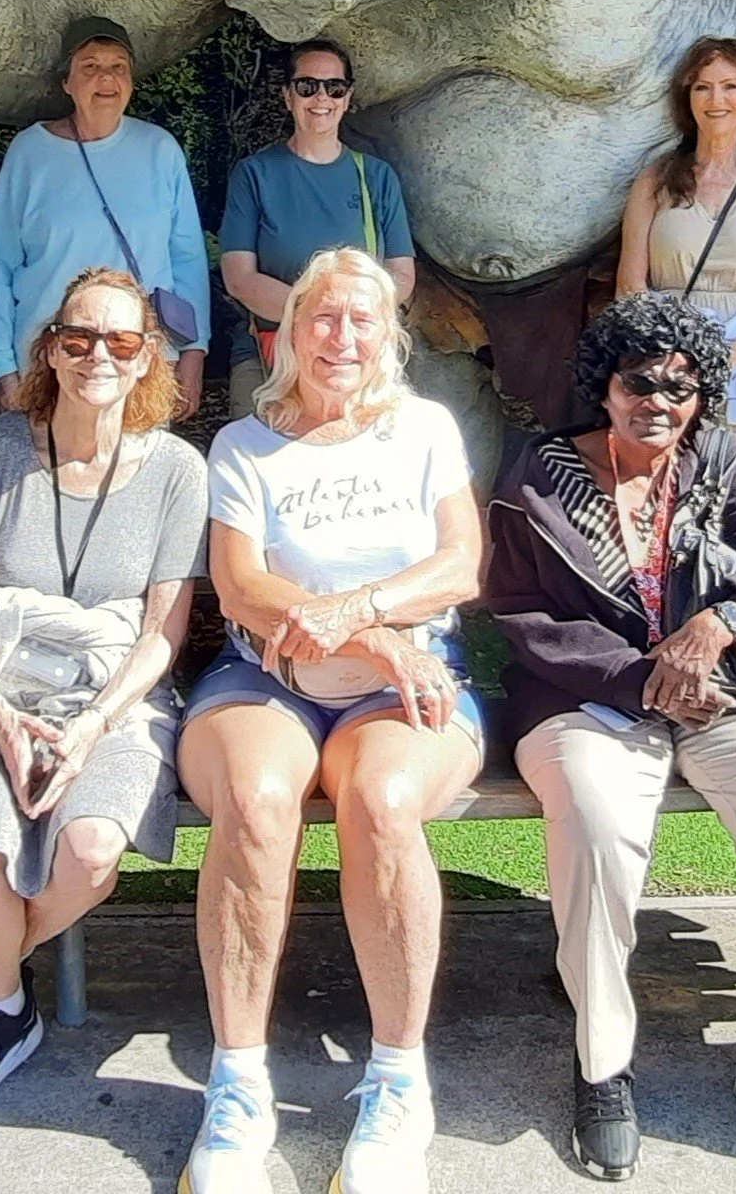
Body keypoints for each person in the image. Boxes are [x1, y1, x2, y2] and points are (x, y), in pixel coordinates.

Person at [484, 293, 736, 1185]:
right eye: (639, 381)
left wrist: (721, 622)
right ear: (604, 386)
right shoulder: (538, 476)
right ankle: (603, 1062)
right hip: (587, 702)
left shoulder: (722, 463)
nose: (660, 401)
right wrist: (643, 676)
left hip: (730, 699)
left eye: (682, 388)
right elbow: (519, 612)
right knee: (602, 827)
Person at [177, 248, 482, 1194]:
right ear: (289, 331)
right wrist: (370, 634)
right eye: (322, 317)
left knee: (384, 802)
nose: (340, 336)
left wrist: (366, 622)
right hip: (267, 675)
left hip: (408, 684)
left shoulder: (425, 429)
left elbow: (461, 566)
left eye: (361, 319)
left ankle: (398, 1081)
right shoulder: (244, 445)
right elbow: (242, 585)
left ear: (387, 336)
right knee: (259, 801)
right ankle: (237, 1088)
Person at [0, 268, 206, 1130]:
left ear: (149, 357)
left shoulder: (178, 470)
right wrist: (1, 719)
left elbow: (161, 636)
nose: (97, 356)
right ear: (51, 350)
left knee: (91, 851)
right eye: (79, 338)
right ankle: (3, 1010)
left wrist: (89, 729)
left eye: (121, 341)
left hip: (115, 703)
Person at [0, 15, 211, 419]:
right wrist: (0, 370)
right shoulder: (30, 153)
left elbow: (188, 260)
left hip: (141, 362)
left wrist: (193, 355)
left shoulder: (160, 150)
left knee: (135, 476)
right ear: (67, 83)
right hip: (47, 363)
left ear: (132, 82)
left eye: (118, 66)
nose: (106, 77)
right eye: (90, 66)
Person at [617, 36, 736, 468]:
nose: (716, 99)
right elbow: (630, 286)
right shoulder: (656, 181)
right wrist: (674, 357)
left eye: (730, 86)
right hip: (666, 360)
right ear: (687, 98)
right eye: (703, 87)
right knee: (666, 486)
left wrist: (727, 356)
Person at [218, 39, 417, 418]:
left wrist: (335, 331)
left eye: (334, 87)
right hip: (271, 356)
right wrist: (319, 325)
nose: (320, 97)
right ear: (288, 96)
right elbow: (239, 279)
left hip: (354, 361)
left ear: (346, 98)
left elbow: (402, 278)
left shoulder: (376, 177)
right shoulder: (255, 174)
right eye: (307, 86)